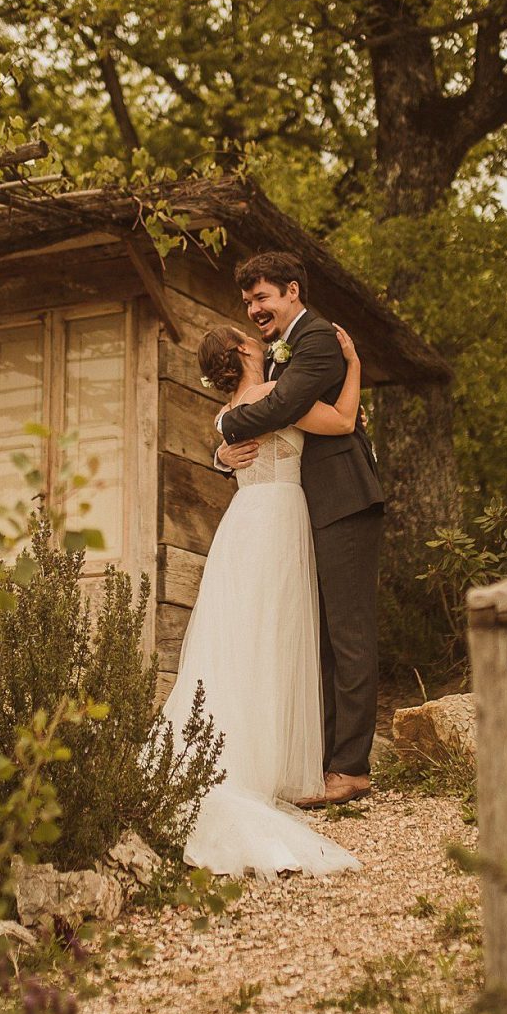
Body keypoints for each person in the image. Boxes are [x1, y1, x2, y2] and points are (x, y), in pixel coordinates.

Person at [156, 308, 365, 877]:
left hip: (242, 521)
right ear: (245, 353)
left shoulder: (226, 414)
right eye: (250, 338)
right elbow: (344, 421)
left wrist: (220, 454)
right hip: (278, 516)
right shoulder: (275, 393)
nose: (260, 338)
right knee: (277, 633)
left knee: (238, 637)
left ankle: (244, 750)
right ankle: (267, 764)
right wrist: (353, 364)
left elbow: (226, 444)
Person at [213, 251, 385, 809]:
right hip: (304, 508)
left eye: (261, 298)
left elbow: (286, 406)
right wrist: (222, 451)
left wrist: (227, 424)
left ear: (292, 291)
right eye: (248, 303)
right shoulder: (281, 355)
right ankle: (325, 760)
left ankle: (352, 768)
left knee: (349, 633)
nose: (255, 309)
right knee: (322, 638)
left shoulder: (315, 341)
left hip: (343, 500)